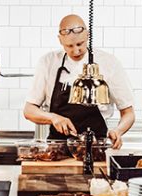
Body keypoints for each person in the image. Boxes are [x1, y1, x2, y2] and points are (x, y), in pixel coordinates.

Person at [23, 14, 135, 149]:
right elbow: (29, 110)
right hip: (57, 150)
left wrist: (118, 131)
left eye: (80, 44)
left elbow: (128, 113)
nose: (76, 50)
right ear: (60, 40)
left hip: (95, 148)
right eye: (69, 45)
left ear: (88, 35)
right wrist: (53, 118)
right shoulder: (48, 62)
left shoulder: (109, 62)